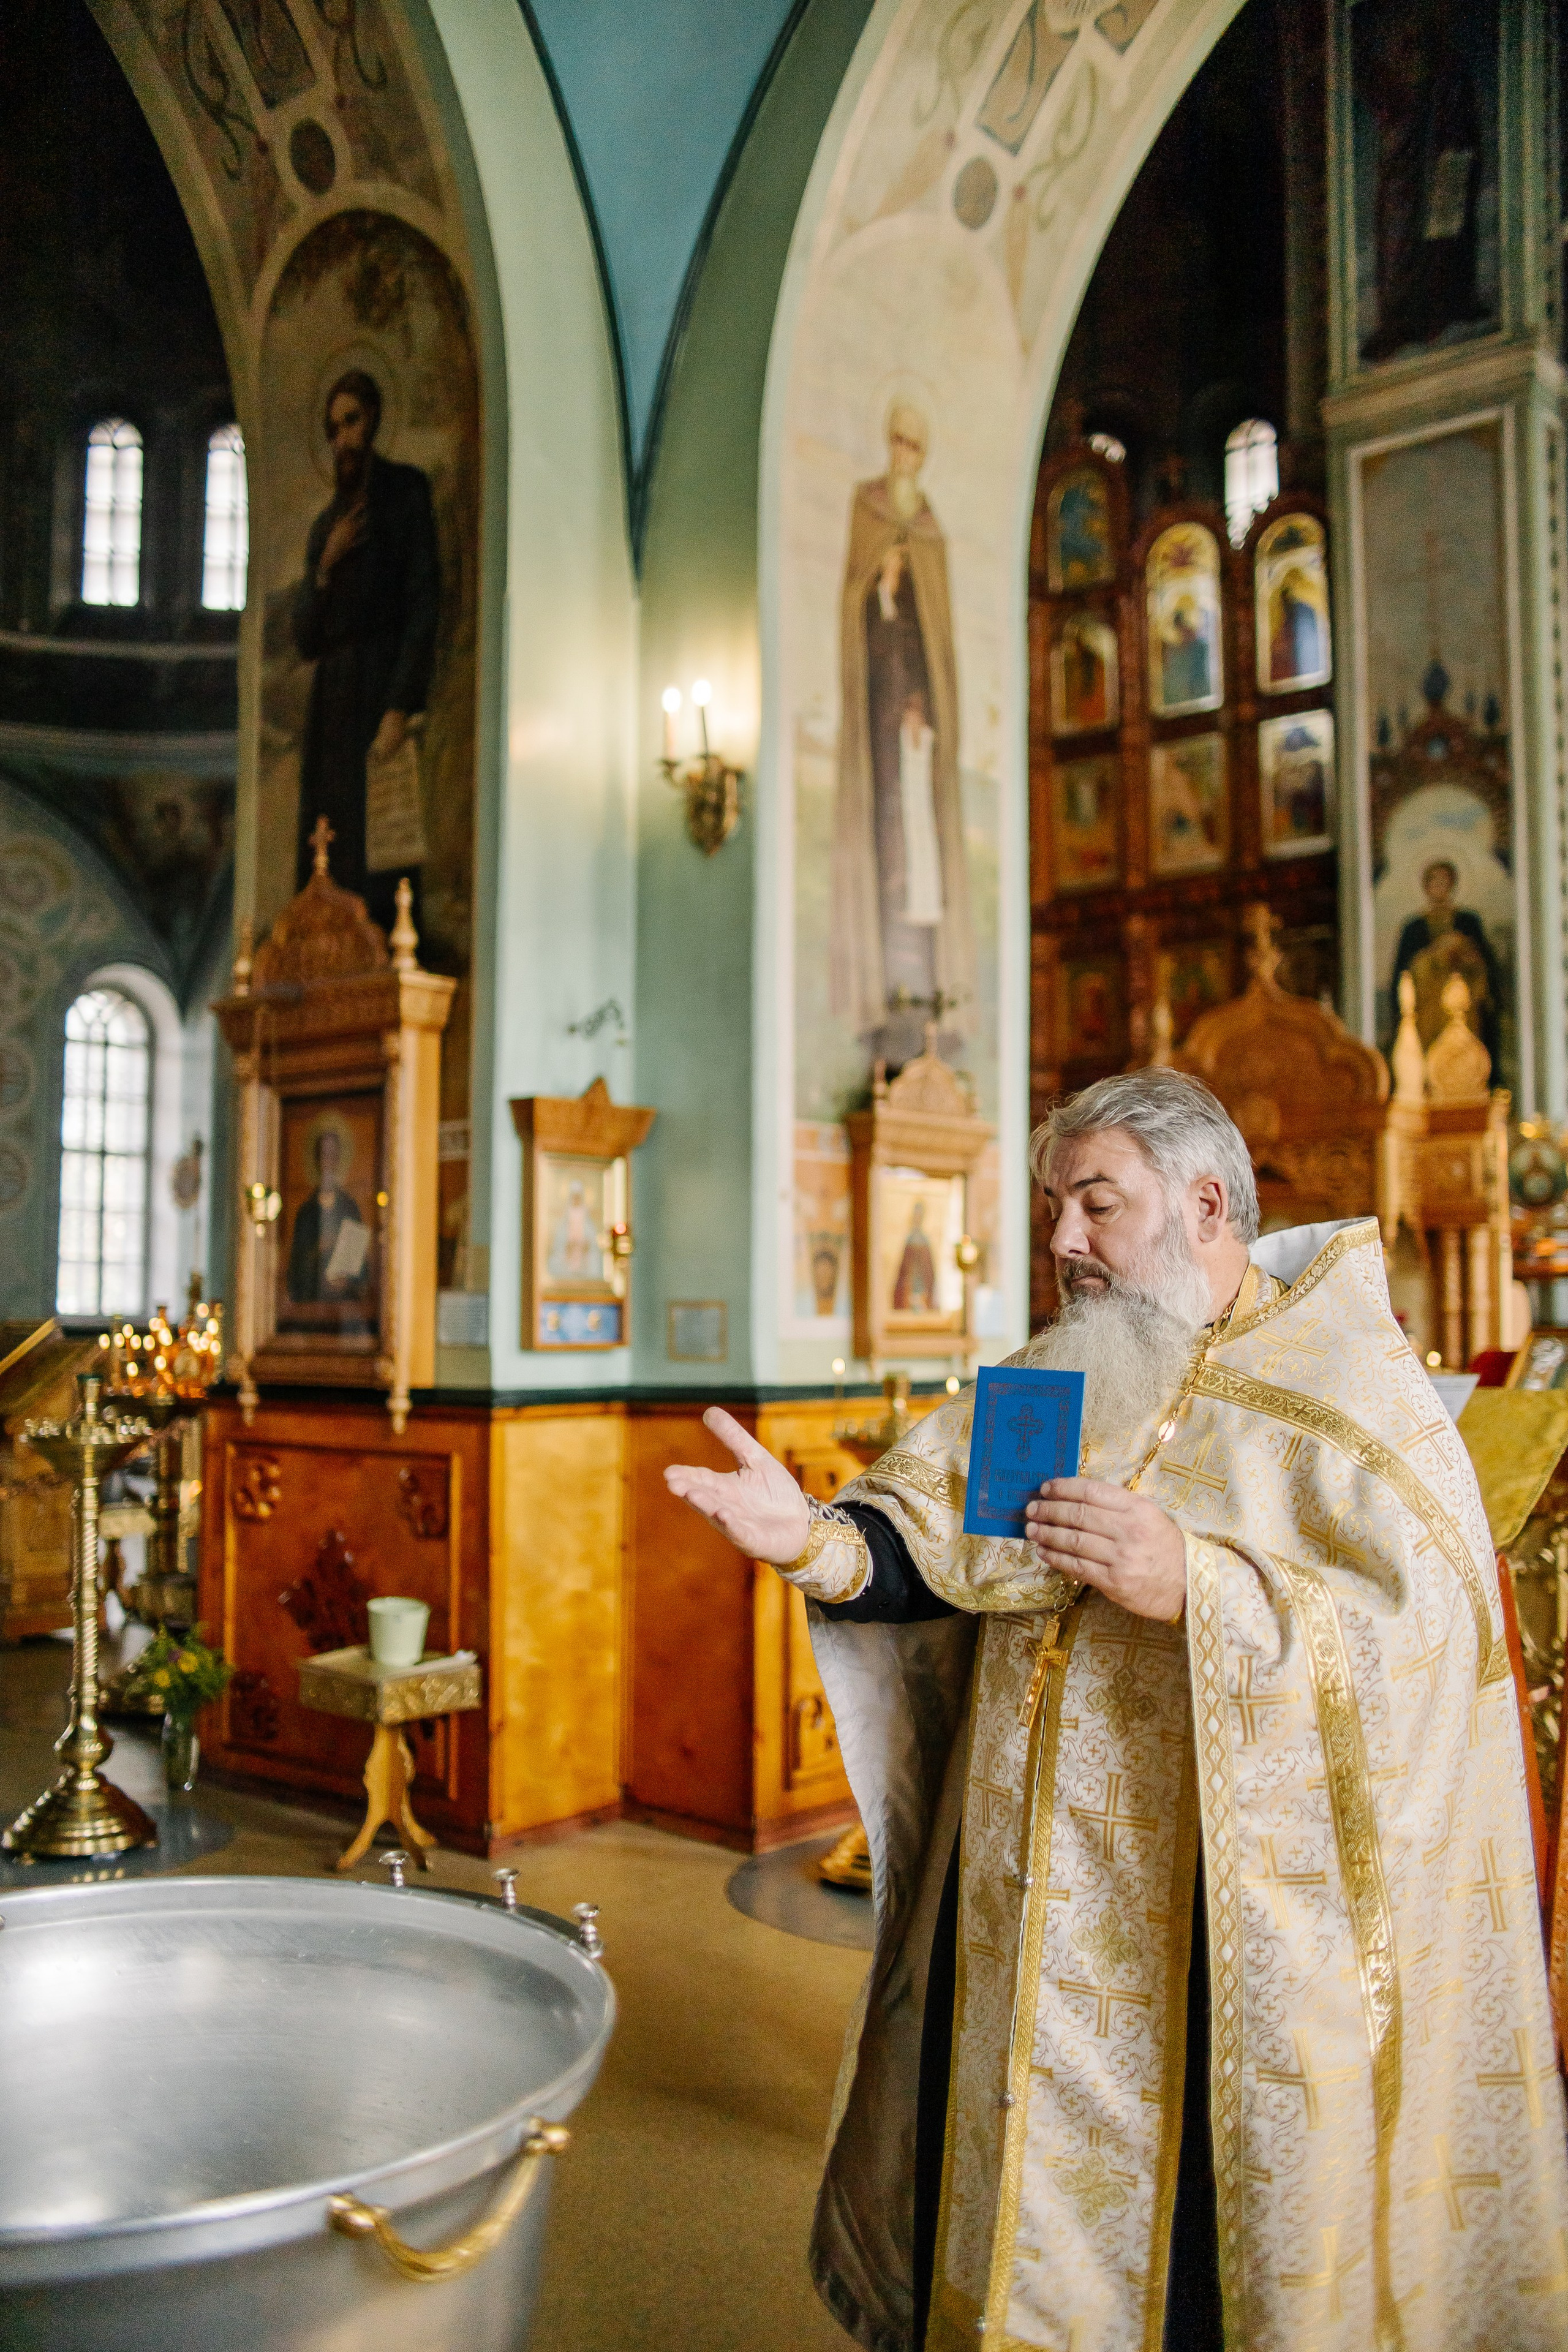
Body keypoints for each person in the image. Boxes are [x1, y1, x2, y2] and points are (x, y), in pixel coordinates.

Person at [666, 1068, 1565, 2352]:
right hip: (1028, 1901)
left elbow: (1423, 1654)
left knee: (1191, 2263)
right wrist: (812, 1538)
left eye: (1094, 1203)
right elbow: (943, 1534)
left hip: (1209, 1933)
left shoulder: (1353, 1398)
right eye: (1054, 1207)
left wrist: (1192, 1582)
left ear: (1204, 1201)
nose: (1060, 1243)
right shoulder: (1068, 1368)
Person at [832, 399, 974, 1045]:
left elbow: (935, 633)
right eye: (895, 442)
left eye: (913, 446)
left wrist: (924, 702)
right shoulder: (867, 506)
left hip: (918, 716)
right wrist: (882, 590)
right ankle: (885, 999)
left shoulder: (931, 528)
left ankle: (927, 997)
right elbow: (856, 606)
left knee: (919, 836)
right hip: (879, 713)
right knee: (889, 829)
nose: (902, 455)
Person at [292, 369, 439, 938]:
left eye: (350, 422)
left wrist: (400, 706)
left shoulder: (405, 494)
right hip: (332, 702)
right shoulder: (325, 527)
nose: (342, 441)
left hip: (380, 686)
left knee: (379, 843)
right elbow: (306, 639)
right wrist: (324, 567)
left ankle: (384, 941)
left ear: (374, 419)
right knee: (329, 832)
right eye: (332, 430)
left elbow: (423, 603)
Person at [1392, 856, 1501, 1077]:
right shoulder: (1414, 928)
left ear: (1452, 884)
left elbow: (1484, 965)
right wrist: (1435, 955)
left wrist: (1466, 955)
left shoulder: (1468, 921)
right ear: (1426, 887)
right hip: (1428, 1008)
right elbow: (1406, 972)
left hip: (1464, 1006)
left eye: (1444, 881)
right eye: (1434, 882)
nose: (1439, 887)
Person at [285, 1128, 366, 1308]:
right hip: (311, 1307)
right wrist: (318, 1249)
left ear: (339, 1160)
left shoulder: (350, 1209)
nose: (328, 1162)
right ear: (316, 1160)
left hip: (344, 1307)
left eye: (333, 1155)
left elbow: (360, 1267)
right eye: (324, 1155)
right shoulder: (306, 1212)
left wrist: (349, 1279)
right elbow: (297, 1268)